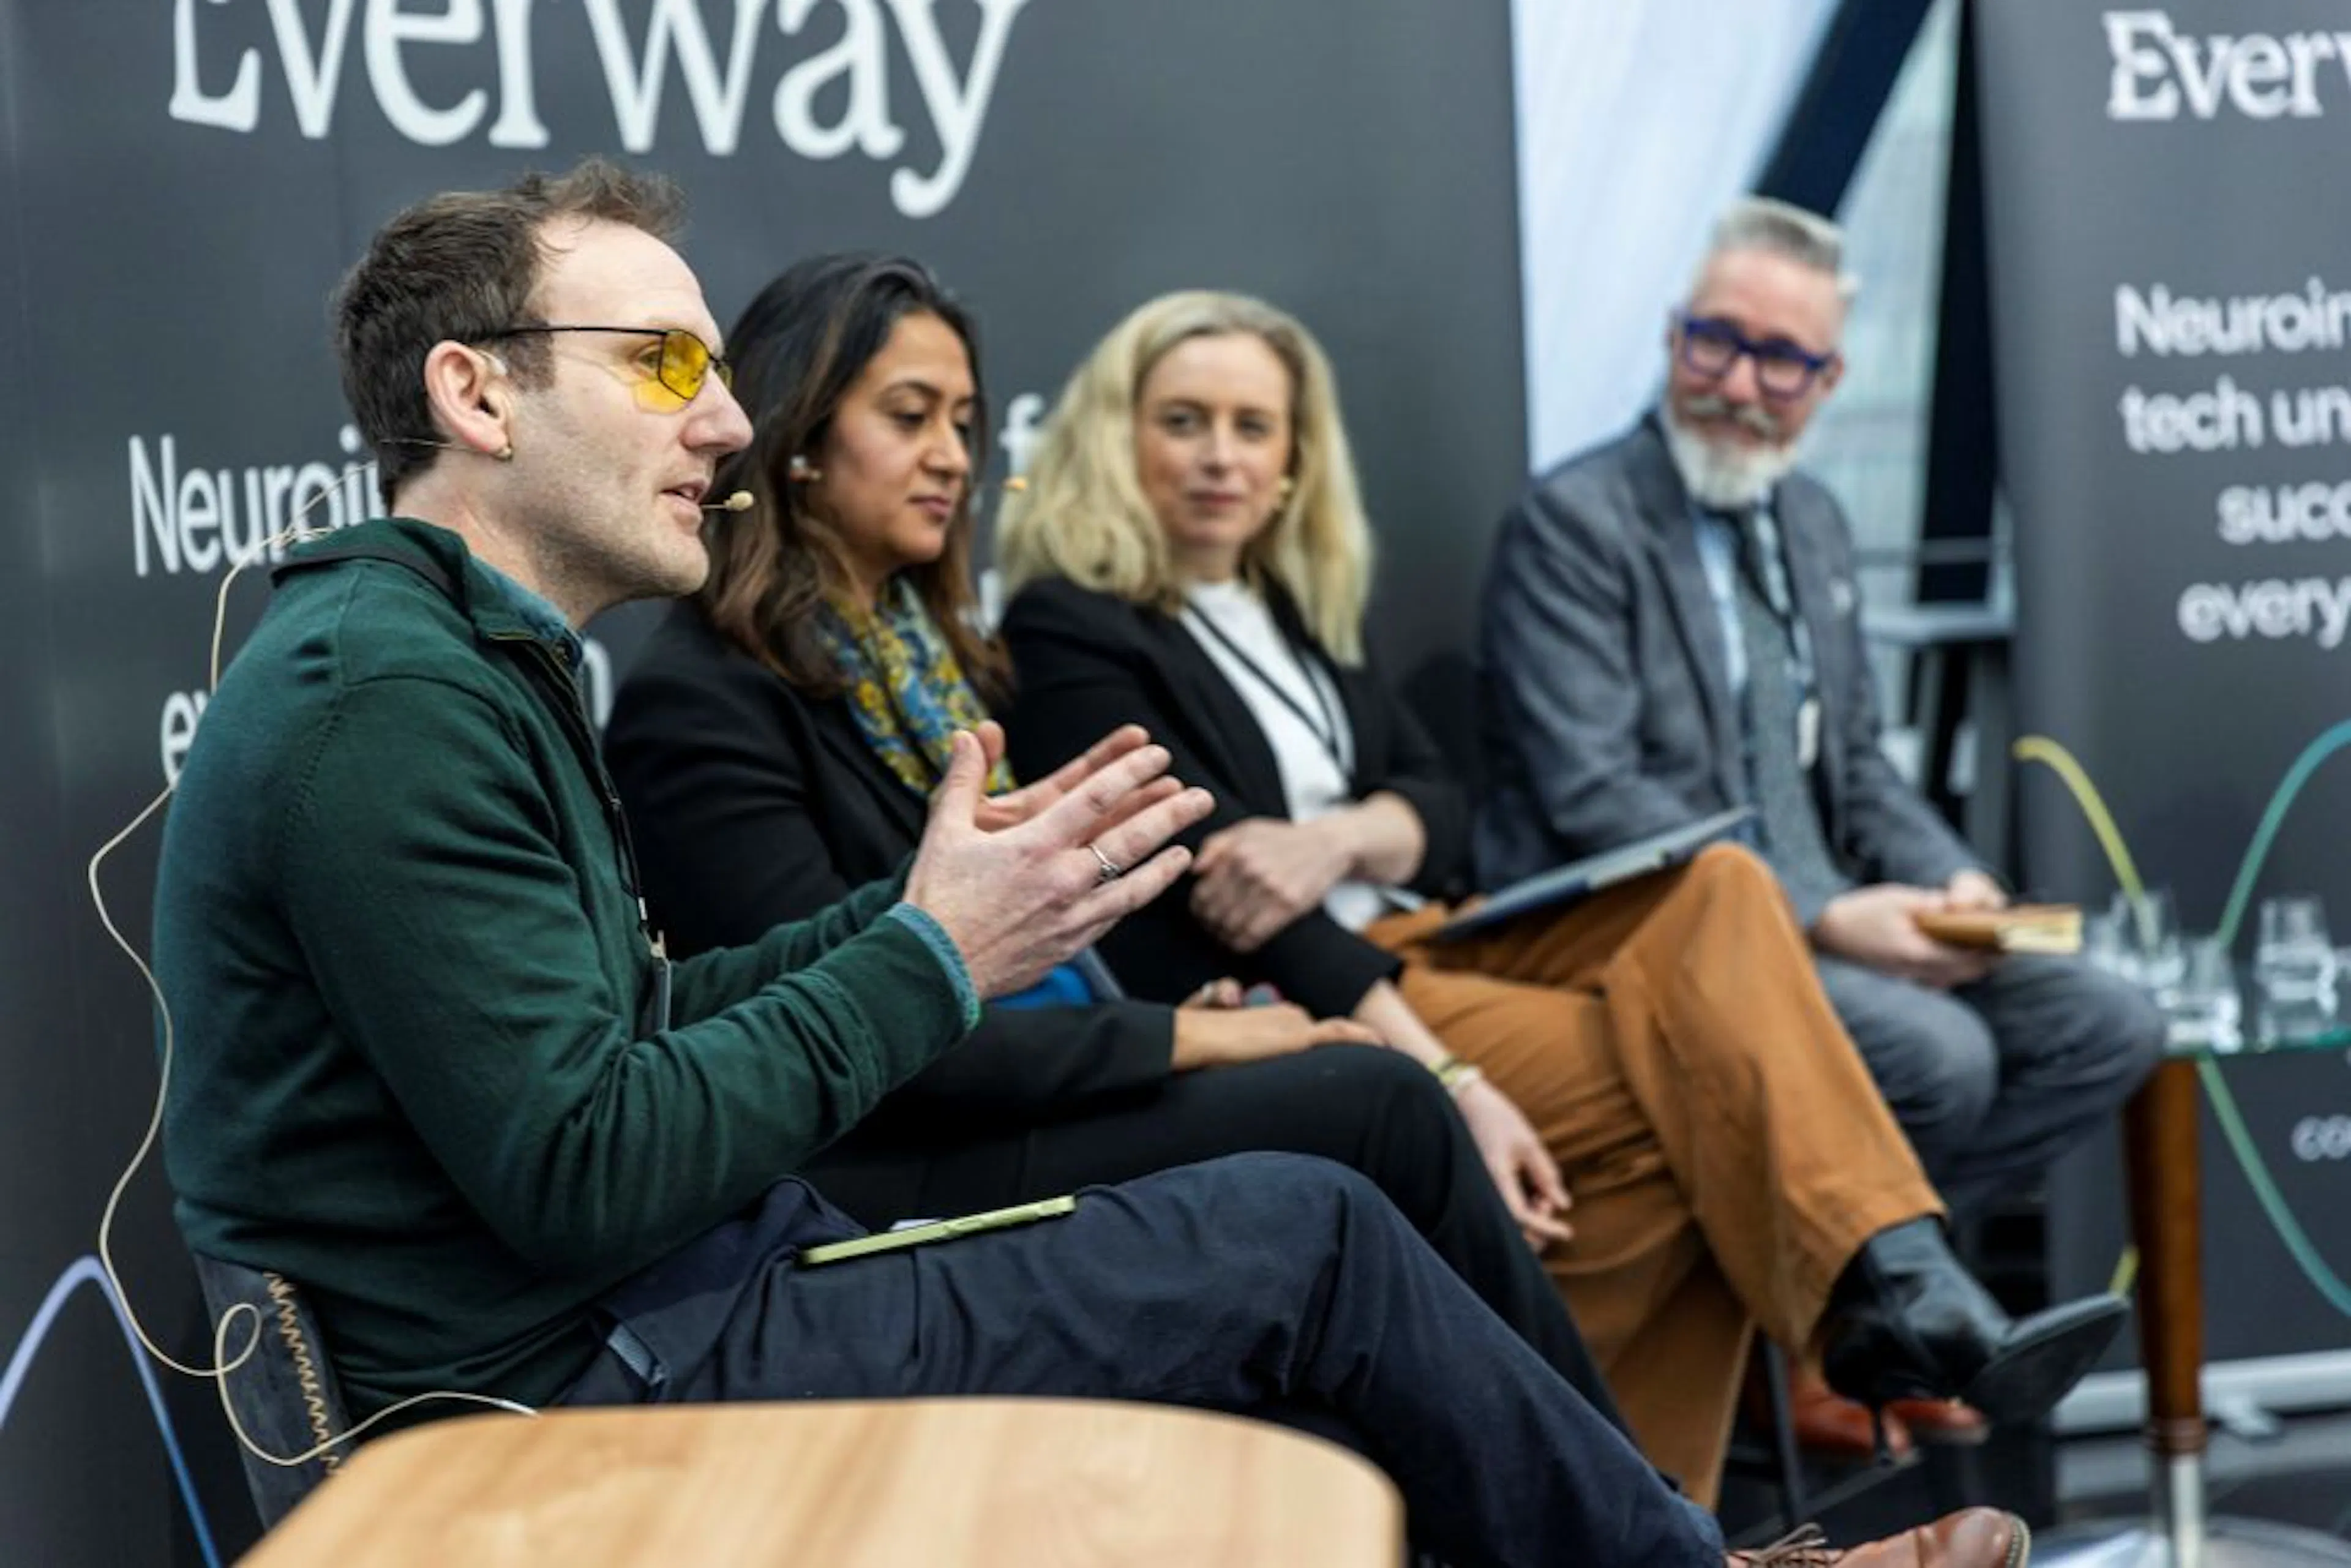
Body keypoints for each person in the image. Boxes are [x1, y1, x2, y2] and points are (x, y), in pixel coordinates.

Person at [146, 160, 2023, 1568]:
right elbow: (581, 1166)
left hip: (665, 1290)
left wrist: (929, 919)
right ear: (477, 399)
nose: (724, 419)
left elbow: (620, 1039)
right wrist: (940, 955)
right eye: (660, 364)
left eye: (720, 369)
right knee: (1315, 1228)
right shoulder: (380, 702)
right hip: (566, 1383)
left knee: (1330, 1214)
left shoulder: (447, 665)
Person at [995, 287, 2126, 1501]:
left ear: (1292, 462)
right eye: (1185, 420)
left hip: (1424, 930)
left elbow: (1439, 803)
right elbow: (1224, 893)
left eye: (1254, 427)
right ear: (1119, 438)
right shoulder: (1073, 626)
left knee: (1722, 881)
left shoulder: (1284, 611)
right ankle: (1666, 1482)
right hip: (1304, 992)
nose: (1223, 454)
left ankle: (1887, 1284)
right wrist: (1443, 1071)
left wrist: (1340, 839)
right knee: (1686, 1086)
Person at [602, 250, 1617, 1419]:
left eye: (965, 422)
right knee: (1383, 1101)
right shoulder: (708, 703)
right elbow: (848, 1041)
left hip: (1021, 1090)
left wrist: (1170, 1027)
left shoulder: (932, 667)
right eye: (910, 416)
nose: (952, 456)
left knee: (1384, 1099)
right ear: (798, 437)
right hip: (885, 1162)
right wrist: (1182, 1047)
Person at [1474, 197, 2160, 1224]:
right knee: (1941, 1057)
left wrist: (1949, 881)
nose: (1740, 386)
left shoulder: (1813, 520)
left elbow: (1856, 763)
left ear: (1829, 380)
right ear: (1673, 335)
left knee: (2108, 1022)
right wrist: (1827, 914)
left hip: (1828, 915)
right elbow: (1595, 794)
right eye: (1716, 343)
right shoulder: (1573, 524)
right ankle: (1855, 1319)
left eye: (1781, 360)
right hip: (1655, 927)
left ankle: (1855, 1306)